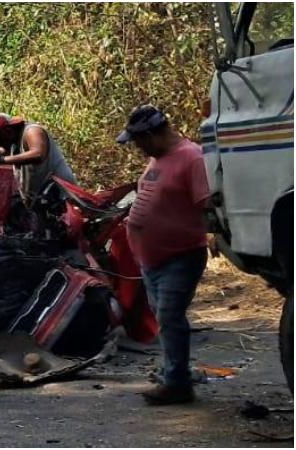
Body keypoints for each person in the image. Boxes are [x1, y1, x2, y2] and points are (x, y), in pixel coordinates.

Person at [117, 105, 210, 405]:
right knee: (164, 318)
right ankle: (174, 373)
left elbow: (207, 204)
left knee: (169, 316)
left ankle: (177, 383)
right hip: (153, 259)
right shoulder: (159, 159)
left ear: (153, 134)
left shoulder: (191, 157)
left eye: (140, 141)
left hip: (180, 255)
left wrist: (216, 235)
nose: (138, 148)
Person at [0, 113, 76, 203]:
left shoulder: (32, 131)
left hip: (59, 190)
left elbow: (38, 154)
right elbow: (4, 150)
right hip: (41, 197)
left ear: (8, 131)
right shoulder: (13, 140)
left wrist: (3, 159)